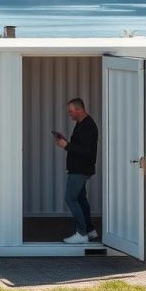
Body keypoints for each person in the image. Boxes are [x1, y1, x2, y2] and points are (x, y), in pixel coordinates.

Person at [56, 97, 99, 244]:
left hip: (80, 169)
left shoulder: (87, 125)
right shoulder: (82, 123)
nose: (69, 114)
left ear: (80, 110)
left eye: (71, 111)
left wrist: (66, 145)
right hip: (79, 168)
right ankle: (90, 230)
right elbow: (80, 145)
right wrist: (66, 143)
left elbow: (85, 150)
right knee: (80, 199)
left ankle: (81, 234)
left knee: (71, 199)